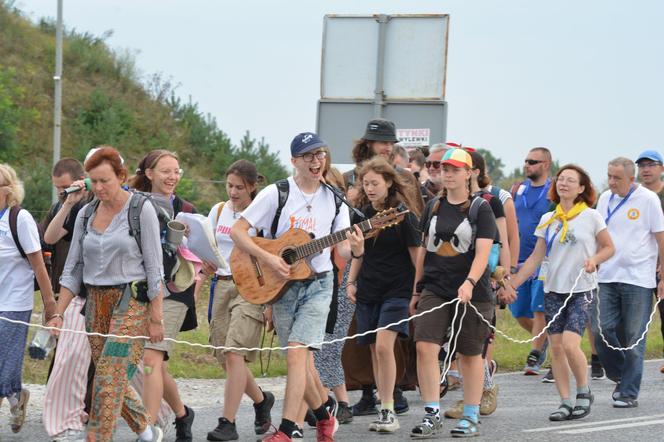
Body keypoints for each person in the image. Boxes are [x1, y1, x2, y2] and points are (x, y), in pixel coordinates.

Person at [231, 132, 363, 442]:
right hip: (281, 283)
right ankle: (323, 414)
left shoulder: (334, 198)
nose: (316, 161)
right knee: (302, 362)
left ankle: (288, 429)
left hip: (319, 284)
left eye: (320, 154)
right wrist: (269, 259)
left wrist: (356, 248)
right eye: (308, 156)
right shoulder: (276, 193)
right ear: (294, 161)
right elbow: (239, 231)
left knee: (296, 353)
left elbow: (341, 250)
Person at [46, 146, 165, 442]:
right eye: (93, 181)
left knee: (108, 377)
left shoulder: (140, 209)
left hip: (132, 303)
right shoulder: (85, 213)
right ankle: (146, 430)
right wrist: (58, 313)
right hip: (96, 305)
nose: (98, 188)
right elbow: (72, 269)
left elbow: (155, 268)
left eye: (104, 181)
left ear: (120, 177)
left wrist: (156, 317)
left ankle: (97, 438)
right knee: (109, 376)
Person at [512, 164, 614, 421]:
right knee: (556, 349)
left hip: (582, 289)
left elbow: (609, 247)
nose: (563, 183)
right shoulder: (549, 220)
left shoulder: (591, 217)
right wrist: (513, 283)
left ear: (581, 188)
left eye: (570, 180)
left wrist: (595, 259)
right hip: (553, 290)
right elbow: (536, 258)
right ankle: (565, 401)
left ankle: (583, 391)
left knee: (570, 343)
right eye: (561, 179)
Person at [410, 148, 497, 438]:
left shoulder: (480, 208)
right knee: (425, 346)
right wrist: (416, 289)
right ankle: (432, 413)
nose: (447, 173)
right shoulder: (433, 205)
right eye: (443, 168)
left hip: (472, 292)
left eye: (454, 169)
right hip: (435, 286)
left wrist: (470, 282)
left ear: (469, 173)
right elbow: (424, 249)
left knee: (469, 354)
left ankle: (471, 416)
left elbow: (483, 253)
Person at [345, 157, 421, 433]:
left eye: (375, 183)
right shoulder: (361, 213)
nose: (370, 188)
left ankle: (389, 409)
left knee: (383, 346)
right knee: (374, 352)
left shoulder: (403, 215)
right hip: (369, 289)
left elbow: (417, 257)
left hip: (398, 290)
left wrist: (417, 291)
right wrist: (351, 282)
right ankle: (382, 406)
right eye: (366, 183)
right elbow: (358, 254)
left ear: (389, 183)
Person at [127, 149, 198, 441]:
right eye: (166, 171)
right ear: (150, 173)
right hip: (141, 290)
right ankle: (182, 414)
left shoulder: (186, 209)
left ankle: (150, 429)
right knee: (154, 363)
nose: (172, 177)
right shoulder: (132, 203)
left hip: (175, 292)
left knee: (151, 360)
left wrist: (196, 251)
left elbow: (202, 253)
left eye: (176, 171)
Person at [206, 159, 275, 441]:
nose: (233, 192)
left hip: (251, 290)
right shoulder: (218, 210)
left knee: (235, 353)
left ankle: (228, 422)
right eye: (230, 186)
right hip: (221, 286)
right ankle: (261, 400)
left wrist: (270, 302)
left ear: (252, 186)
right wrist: (206, 261)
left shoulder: (263, 216)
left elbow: (272, 258)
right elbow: (207, 244)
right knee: (225, 356)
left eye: (240, 187)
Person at [444, 150, 515, 419]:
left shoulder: (490, 202)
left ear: (473, 172)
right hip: (450, 278)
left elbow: (502, 243)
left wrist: (504, 280)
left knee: (475, 343)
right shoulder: (448, 201)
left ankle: (483, 391)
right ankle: (475, 392)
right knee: (458, 342)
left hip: (482, 280)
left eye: (460, 168)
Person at [590, 157, 664, 409]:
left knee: (635, 338)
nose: (612, 182)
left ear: (631, 179)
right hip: (606, 276)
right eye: (609, 176)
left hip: (638, 279)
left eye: (617, 178)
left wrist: (662, 274)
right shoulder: (604, 198)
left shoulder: (648, 200)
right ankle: (622, 375)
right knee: (601, 331)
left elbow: (661, 238)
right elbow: (598, 234)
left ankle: (628, 392)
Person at [0, 163, 57, 434]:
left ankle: (13, 395)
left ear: (8, 190)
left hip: (13, 306)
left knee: (2, 365)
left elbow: (38, 266)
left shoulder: (18, 219)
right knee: (4, 368)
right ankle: (16, 397)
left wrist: (50, 306)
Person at [41, 158, 93, 442]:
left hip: (104, 292)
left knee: (115, 366)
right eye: (57, 188)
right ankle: (70, 417)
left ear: (81, 180)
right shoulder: (68, 206)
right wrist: (67, 203)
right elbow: (49, 237)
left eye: (65, 187)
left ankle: (150, 421)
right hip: (72, 290)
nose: (61, 192)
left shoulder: (99, 202)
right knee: (66, 357)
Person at [511, 147, 553, 377]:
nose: (527, 165)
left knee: (539, 309)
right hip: (519, 260)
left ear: (546, 164)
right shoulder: (518, 189)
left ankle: (534, 355)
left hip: (543, 260)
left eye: (533, 161)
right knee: (518, 311)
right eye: (526, 161)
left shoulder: (552, 190)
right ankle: (543, 339)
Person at [635, 150, 664, 373]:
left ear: (661, 169)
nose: (646, 169)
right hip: (639, 265)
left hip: (661, 265)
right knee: (633, 320)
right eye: (642, 165)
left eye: (651, 165)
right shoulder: (635, 197)